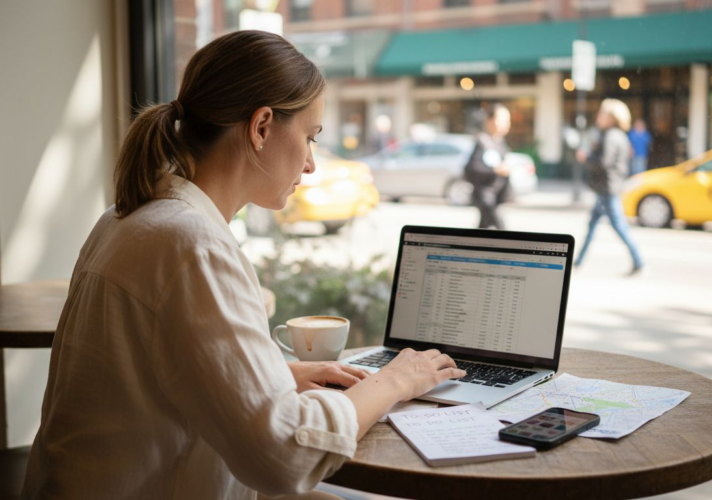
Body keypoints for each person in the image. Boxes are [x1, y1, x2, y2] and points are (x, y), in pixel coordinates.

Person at [21, 30, 465, 500]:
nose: (312, 164)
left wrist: (277, 375)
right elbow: (283, 456)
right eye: (310, 138)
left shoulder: (127, 218)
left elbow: (153, 377)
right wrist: (395, 380)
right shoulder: (191, 245)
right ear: (261, 127)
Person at [574, 99, 646, 275]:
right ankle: (578, 262)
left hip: (608, 189)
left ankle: (639, 261)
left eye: (602, 113)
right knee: (592, 225)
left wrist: (586, 157)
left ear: (612, 118)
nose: (599, 116)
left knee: (619, 226)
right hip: (606, 188)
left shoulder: (611, 136)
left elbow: (603, 162)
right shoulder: (616, 135)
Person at [464, 104, 512, 229]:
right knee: (501, 230)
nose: (506, 124)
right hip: (486, 197)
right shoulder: (483, 142)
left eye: (507, 121)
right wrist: (495, 170)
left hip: (496, 197)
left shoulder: (500, 142)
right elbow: (471, 168)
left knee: (482, 231)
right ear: (489, 121)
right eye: (501, 121)